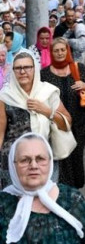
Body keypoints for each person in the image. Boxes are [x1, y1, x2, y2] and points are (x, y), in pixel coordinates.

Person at [0, 132, 85, 243]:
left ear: (50, 163)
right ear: (13, 165)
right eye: (24, 160)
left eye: (40, 158)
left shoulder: (71, 199)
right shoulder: (3, 204)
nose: (33, 166)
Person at [0, 51, 72, 189]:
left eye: (27, 67)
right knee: (14, 203)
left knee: (44, 201)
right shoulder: (5, 96)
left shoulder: (47, 92)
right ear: (13, 71)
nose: (22, 71)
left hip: (42, 157)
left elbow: (67, 124)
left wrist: (46, 111)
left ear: (34, 69)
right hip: (14, 160)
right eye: (18, 68)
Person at [39, 38, 85, 189]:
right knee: (61, 158)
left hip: (78, 124)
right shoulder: (44, 74)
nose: (60, 53)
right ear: (51, 53)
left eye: (62, 50)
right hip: (56, 125)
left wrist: (84, 85)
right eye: (56, 50)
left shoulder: (79, 68)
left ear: (67, 51)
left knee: (77, 158)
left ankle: (76, 191)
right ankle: (63, 191)